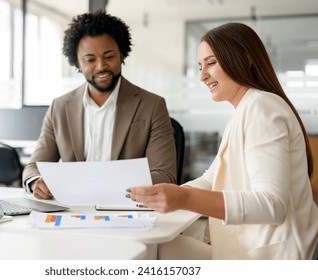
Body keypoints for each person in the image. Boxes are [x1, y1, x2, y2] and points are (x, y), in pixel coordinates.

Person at [127, 22, 318, 260]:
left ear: (245, 59)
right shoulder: (245, 110)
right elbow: (211, 178)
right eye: (200, 66)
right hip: (250, 249)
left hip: (271, 258)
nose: (202, 76)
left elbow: (271, 204)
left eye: (211, 63)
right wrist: (163, 195)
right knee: (157, 247)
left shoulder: (262, 107)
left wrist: (184, 198)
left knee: (154, 251)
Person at [22, 10, 176, 199]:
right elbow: (33, 167)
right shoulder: (60, 107)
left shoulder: (152, 105)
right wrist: (37, 182)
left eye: (109, 57)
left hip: (126, 209)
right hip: (72, 209)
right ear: (77, 63)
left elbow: (165, 175)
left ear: (121, 55)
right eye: (90, 60)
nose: (101, 66)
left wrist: (99, 187)